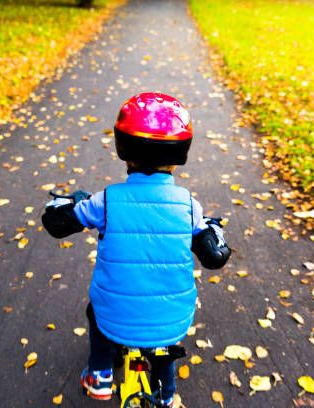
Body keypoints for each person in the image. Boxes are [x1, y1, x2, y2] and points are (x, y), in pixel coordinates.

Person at [42, 92, 231, 407]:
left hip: (114, 313)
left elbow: (59, 224)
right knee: (164, 344)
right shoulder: (188, 206)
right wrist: (213, 232)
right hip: (171, 315)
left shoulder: (105, 201)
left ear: (123, 150)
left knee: (97, 314)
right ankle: (166, 395)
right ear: (179, 154)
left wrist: (67, 203)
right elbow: (213, 254)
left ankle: (100, 376)